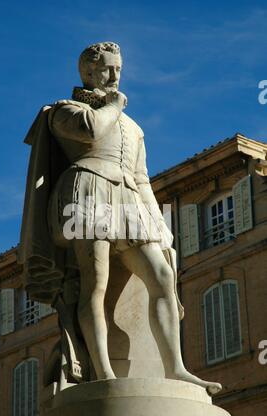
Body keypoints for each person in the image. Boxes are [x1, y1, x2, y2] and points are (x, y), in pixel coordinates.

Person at [20, 42, 221, 394]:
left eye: (118, 70)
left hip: (129, 198)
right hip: (87, 190)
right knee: (95, 285)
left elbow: (141, 176)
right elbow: (91, 131)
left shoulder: (132, 126)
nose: (114, 76)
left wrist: (158, 225)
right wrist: (112, 105)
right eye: (107, 69)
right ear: (87, 72)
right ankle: (104, 373)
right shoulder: (64, 109)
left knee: (161, 277)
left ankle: (175, 368)